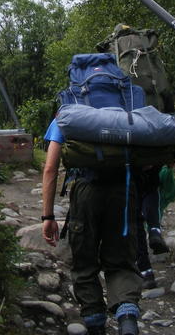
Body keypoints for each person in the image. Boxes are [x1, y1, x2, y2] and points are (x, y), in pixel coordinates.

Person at [41, 119, 142, 335]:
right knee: (122, 261)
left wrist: (47, 215)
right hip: (123, 189)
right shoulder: (126, 108)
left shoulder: (69, 112)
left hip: (86, 191)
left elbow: (50, 168)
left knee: (84, 262)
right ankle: (127, 321)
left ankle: (96, 325)